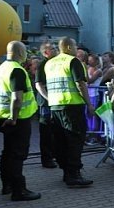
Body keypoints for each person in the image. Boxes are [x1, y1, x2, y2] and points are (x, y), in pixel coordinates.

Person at [39, 37, 94, 187]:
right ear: (69, 47)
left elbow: (41, 83)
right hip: (72, 106)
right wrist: (89, 104)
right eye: (75, 45)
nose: (77, 48)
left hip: (55, 106)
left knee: (60, 141)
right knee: (75, 141)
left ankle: (66, 172)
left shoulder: (49, 63)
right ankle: (74, 175)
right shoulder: (73, 61)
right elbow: (80, 84)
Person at [0, 41, 41, 201]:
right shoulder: (16, 70)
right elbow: (17, 97)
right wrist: (14, 118)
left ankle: (6, 185)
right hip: (17, 120)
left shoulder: (0, 68)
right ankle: (19, 190)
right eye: (25, 51)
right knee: (17, 155)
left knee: (7, 152)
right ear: (20, 52)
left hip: (3, 117)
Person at [34, 41, 59, 168]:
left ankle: (53, 155)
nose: (56, 50)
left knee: (53, 131)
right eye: (53, 49)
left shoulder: (53, 64)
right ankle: (47, 158)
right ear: (45, 52)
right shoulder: (42, 65)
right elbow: (39, 85)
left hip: (54, 102)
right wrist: (48, 99)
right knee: (46, 132)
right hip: (46, 104)